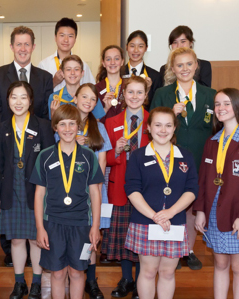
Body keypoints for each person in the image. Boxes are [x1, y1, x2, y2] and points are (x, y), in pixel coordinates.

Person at [194, 88, 239, 299]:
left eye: (226, 103)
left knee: (238, 266)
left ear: (237, 106)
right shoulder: (212, 142)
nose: (221, 108)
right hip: (215, 211)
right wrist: (200, 211)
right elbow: (203, 179)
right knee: (219, 263)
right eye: (217, 104)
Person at [150, 47, 216, 270]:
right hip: (170, 158)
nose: (185, 69)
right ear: (172, 68)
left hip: (200, 157)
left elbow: (214, 128)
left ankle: (187, 250)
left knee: (191, 205)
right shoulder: (163, 94)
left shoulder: (210, 94)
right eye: (179, 65)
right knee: (170, 201)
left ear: (196, 65)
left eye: (189, 64)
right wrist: (171, 112)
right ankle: (170, 248)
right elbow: (154, 122)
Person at [30, 104, 105, 299]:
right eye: (62, 124)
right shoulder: (45, 156)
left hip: (81, 224)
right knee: (57, 272)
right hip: (53, 223)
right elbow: (39, 194)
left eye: (72, 124)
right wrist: (40, 227)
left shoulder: (88, 156)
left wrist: (95, 226)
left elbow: (96, 193)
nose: (68, 129)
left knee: (77, 272)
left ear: (79, 126)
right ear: (55, 127)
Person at [124, 107, 198, 299]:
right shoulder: (138, 156)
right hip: (145, 222)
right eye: (158, 125)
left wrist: (170, 213)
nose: (163, 130)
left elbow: (192, 190)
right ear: (148, 127)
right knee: (148, 272)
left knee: (167, 272)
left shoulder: (186, 156)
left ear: (174, 128)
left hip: (174, 221)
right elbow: (132, 190)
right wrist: (155, 216)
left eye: (168, 125)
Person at [0, 81, 55, 299]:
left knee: (35, 238)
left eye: (23, 97)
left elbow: (50, 162)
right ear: (8, 100)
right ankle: (19, 282)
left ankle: (37, 284)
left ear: (30, 101)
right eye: (14, 97)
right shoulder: (3, 127)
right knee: (17, 240)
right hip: (12, 189)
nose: (18, 102)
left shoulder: (43, 126)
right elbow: (0, 164)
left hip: (37, 191)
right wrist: (1, 194)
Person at [59, 84, 111, 299]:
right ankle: (71, 278)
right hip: (68, 191)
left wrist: (96, 187)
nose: (88, 102)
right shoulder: (64, 125)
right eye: (84, 97)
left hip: (94, 190)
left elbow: (102, 160)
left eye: (92, 99)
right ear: (75, 98)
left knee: (91, 238)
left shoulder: (99, 127)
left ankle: (91, 280)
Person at [102, 77, 150, 299]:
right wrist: (117, 151)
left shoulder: (153, 120)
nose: (134, 97)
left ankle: (142, 282)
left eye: (139, 92)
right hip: (119, 186)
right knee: (123, 238)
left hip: (146, 189)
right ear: (123, 95)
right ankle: (126, 279)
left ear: (145, 95)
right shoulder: (110, 123)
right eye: (130, 92)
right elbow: (106, 160)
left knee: (142, 237)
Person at [0, 26, 53, 124]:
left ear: (33, 47)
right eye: (18, 44)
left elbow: (45, 116)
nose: (23, 49)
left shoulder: (45, 78)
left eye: (27, 44)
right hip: (6, 136)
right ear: (12, 47)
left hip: (37, 136)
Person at [38, 17, 95, 92]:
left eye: (70, 36)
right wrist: (54, 82)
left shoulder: (83, 66)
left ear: (75, 39)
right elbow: (38, 93)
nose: (66, 40)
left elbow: (92, 91)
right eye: (62, 35)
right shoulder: (44, 65)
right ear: (55, 37)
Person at [48, 55, 105, 120]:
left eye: (76, 69)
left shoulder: (92, 95)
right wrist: (53, 115)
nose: (72, 73)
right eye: (68, 69)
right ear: (62, 73)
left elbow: (97, 123)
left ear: (82, 73)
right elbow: (52, 126)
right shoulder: (54, 97)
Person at [123, 30, 161, 110]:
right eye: (132, 46)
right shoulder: (119, 73)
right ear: (126, 47)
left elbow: (156, 105)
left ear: (146, 48)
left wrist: (148, 89)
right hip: (121, 120)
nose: (136, 50)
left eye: (140, 46)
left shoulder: (155, 76)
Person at [95, 45, 126, 124]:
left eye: (116, 58)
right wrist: (105, 108)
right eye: (108, 59)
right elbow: (93, 120)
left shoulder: (129, 87)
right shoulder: (96, 89)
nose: (112, 62)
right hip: (103, 134)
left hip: (125, 134)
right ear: (103, 63)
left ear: (122, 62)